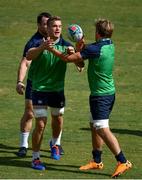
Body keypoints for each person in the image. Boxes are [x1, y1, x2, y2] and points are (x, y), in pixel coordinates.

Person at [45, 19, 132, 178]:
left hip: (102, 96)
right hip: (105, 93)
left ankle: (123, 161)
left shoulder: (94, 48)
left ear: (97, 33)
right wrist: (81, 48)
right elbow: (86, 55)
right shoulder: (109, 44)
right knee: (93, 124)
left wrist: (51, 49)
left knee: (101, 127)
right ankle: (97, 161)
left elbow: (68, 59)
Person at [26, 16, 81, 170]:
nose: (57, 29)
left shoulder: (66, 45)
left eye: (60, 26)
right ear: (48, 28)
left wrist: (74, 54)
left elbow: (81, 65)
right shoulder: (37, 43)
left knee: (57, 119)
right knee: (41, 123)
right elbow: (29, 56)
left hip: (57, 90)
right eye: (54, 26)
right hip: (39, 90)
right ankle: (35, 158)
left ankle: (55, 144)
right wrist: (42, 48)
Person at [16, 12, 64, 158]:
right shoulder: (34, 42)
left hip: (53, 84)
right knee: (30, 113)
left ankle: (56, 143)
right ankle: (24, 145)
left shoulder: (58, 39)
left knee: (57, 116)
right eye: (45, 23)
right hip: (35, 83)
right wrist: (20, 81)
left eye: (49, 24)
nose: (48, 26)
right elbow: (25, 62)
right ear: (39, 25)